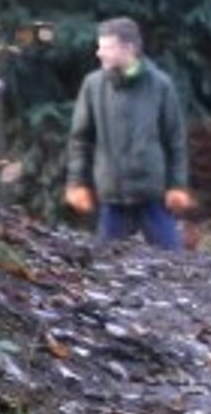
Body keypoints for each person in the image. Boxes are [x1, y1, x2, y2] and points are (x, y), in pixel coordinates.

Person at [65, 17, 192, 249]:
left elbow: (175, 141)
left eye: (107, 47)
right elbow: (80, 141)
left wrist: (177, 185)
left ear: (129, 49)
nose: (99, 53)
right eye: (99, 46)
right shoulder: (92, 86)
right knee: (104, 267)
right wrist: (77, 183)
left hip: (152, 194)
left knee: (174, 264)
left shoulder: (160, 85)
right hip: (112, 197)